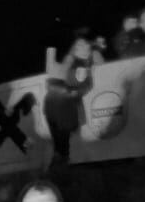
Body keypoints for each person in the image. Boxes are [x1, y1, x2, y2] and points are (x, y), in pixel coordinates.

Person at [44, 29, 103, 164]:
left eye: (84, 44)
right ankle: (62, 161)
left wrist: (95, 54)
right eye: (78, 46)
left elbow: (98, 75)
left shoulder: (92, 60)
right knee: (64, 142)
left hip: (78, 109)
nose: (82, 47)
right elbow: (60, 77)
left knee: (73, 143)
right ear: (74, 50)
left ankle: (65, 161)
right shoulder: (70, 63)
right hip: (66, 108)